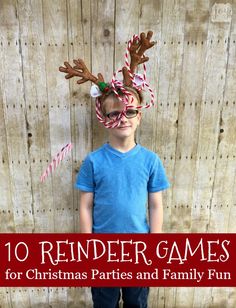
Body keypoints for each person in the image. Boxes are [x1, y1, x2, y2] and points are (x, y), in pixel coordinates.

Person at [60, 31, 170, 308]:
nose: (123, 118)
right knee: (105, 303)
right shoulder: (93, 162)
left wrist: (155, 247)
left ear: (139, 115)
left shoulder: (150, 161)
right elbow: (85, 206)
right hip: (102, 253)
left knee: (137, 302)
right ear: (104, 119)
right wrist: (87, 247)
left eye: (130, 111)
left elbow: (155, 206)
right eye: (114, 113)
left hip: (139, 252)